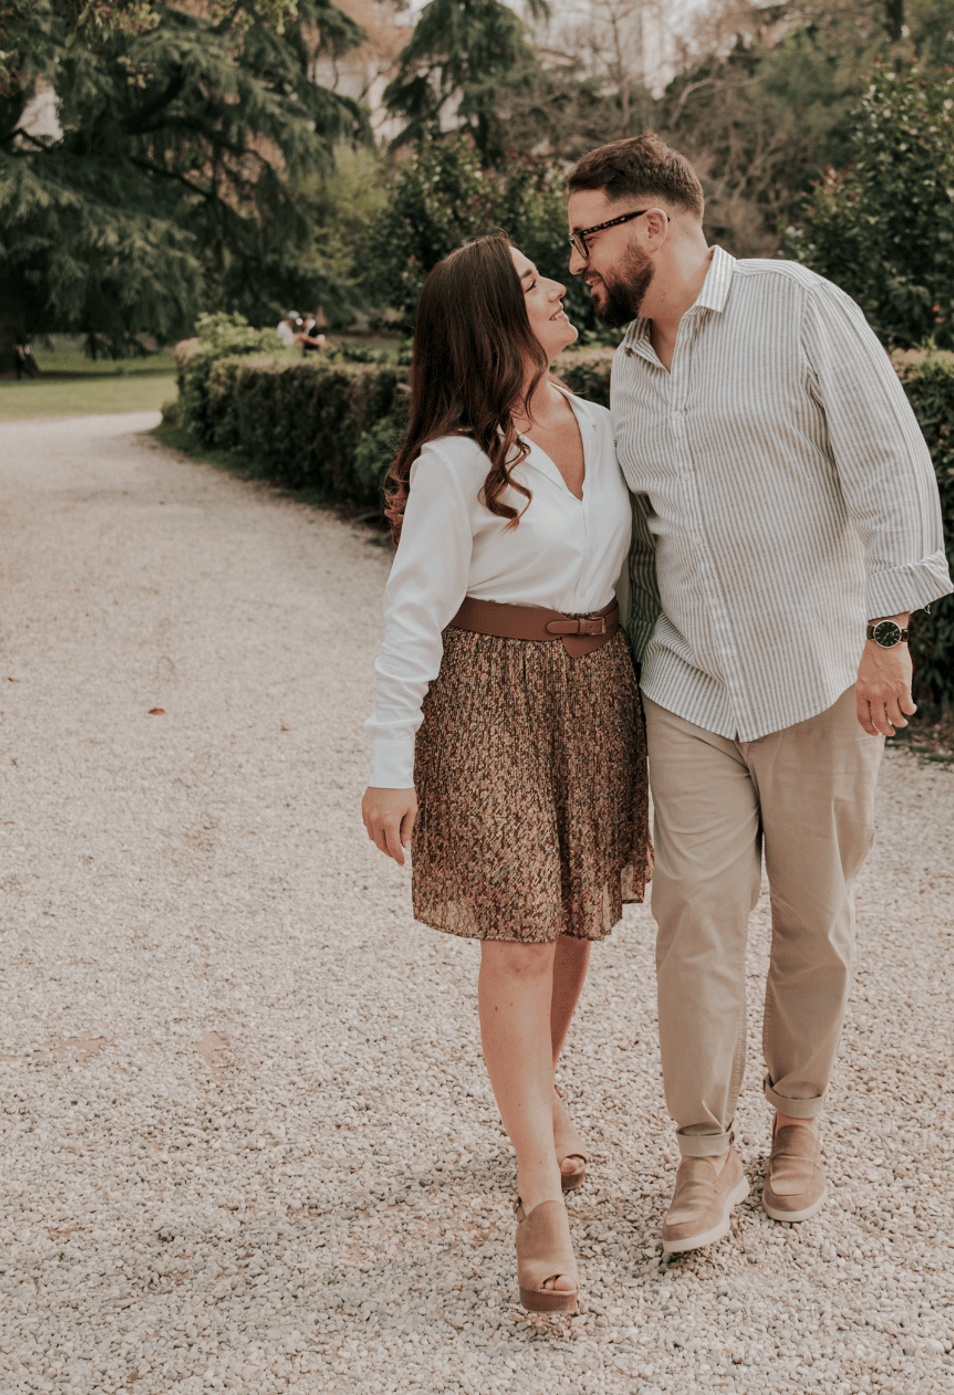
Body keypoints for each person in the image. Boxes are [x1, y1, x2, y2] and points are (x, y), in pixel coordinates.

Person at [565, 132, 952, 1256]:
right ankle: (704, 1151)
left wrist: (889, 634)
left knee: (813, 921)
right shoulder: (624, 365)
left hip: (817, 675)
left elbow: (890, 463)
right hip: (688, 683)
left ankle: (797, 1120)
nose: (578, 261)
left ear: (654, 224)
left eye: (587, 238)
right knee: (693, 916)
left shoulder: (797, 307)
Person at [360, 234, 651, 1313]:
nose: (561, 287)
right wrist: (389, 765)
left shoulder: (612, 427)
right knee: (521, 933)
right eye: (533, 283)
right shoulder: (453, 462)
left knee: (573, 919)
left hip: (600, 690)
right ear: (493, 319)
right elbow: (412, 616)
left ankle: (541, 1094)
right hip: (486, 693)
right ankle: (538, 1194)